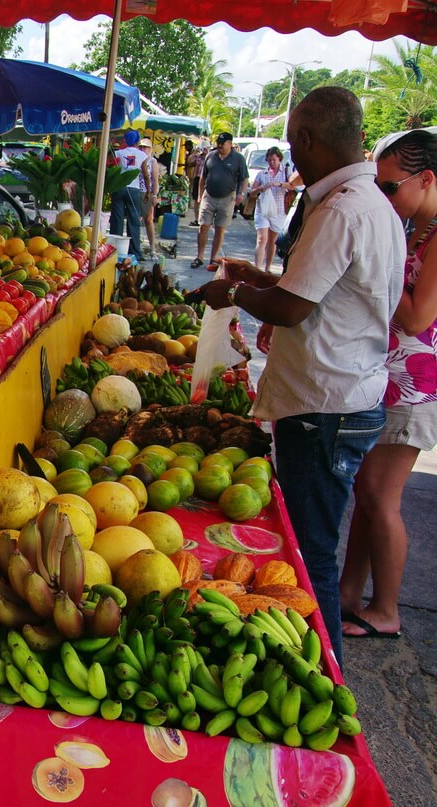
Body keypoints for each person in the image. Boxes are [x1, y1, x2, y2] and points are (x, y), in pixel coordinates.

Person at [194, 87, 406, 666]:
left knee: (311, 553)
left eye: (293, 144)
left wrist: (232, 292)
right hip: (345, 394)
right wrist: (257, 274)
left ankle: (325, 669)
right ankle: (323, 660)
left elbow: (293, 309)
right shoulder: (371, 203)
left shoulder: (340, 209)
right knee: (312, 543)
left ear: (308, 140)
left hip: (325, 406)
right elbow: (319, 290)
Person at [340, 130, 437, 640]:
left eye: (391, 186)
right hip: (388, 377)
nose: (384, 196)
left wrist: (383, 271)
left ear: (426, 179)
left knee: (382, 497)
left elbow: (420, 317)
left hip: (416, 385)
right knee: (366, 491)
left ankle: (388, 610)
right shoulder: (417, 228)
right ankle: (349, 594)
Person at [192, 132, 248, 268]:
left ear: (230, 144)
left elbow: (244, 178)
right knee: (203, 226)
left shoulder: (238, 158)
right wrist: (200, 194)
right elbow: (203, 177)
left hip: (227, 197)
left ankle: (213, 258)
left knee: (219, 228)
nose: (220, 146)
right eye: (218, 143)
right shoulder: (211, 156)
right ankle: (199, 256)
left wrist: (241, 193)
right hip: (209, 195)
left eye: (223, 144)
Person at [246, 146, 291, 272]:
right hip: (263, 209)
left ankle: (268, 267)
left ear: (279, 160)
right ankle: (257, 268)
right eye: (269, 160)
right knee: (262, 239)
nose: (272, 163)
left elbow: (293, 186)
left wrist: (280, 184)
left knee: (273, 241)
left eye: (274, 160)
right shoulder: (262, 174)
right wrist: (262, 188)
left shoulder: (286, 173)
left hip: (279, 210)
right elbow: (252, 192)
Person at [111, 130, 147, 260]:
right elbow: (145, 175)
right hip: (134, 189)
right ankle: (135, 252)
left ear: (125, 140)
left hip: (119, 187)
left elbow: (113, 169)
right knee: (134, 220)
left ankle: (113, 251)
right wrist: (148, 191)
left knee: (117, 219)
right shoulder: (142, 155)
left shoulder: (118, 153)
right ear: (137, 141)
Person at [138, 139, 161, 257]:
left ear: (150, 149)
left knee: (149, 220)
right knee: (136, 219)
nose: (142, 149)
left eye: (145, 147)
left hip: (148, 192)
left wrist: (154, 195)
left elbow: (155, 180)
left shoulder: (152, 161)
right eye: (141, 147)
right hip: (137, 191)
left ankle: (152, 247)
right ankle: (136, 245)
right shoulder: (137, 158)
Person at [185, 139, 206, 226]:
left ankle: (204, 219)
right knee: (196, 199)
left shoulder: (210, 158)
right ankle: (197, 219)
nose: (204, 151)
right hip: (197, 178)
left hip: (207, 180)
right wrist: (195, 152)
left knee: (205, 200)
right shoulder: (198, 157)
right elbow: (189, 162)